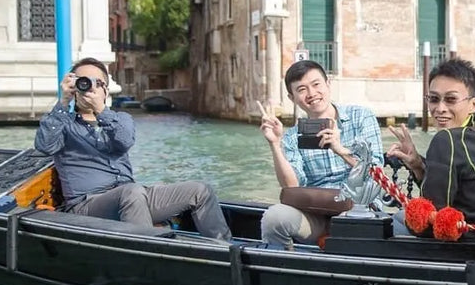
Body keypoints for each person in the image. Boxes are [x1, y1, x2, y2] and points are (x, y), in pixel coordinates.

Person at [34, 57, 231, 240]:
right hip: (87, 205)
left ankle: (225, 252)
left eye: (96, 83)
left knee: (200, 190)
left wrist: (101, 110)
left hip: (133, 197)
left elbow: (124, 140)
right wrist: (63, 101)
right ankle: (154, 255)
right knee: (132, 192)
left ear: (105, 90)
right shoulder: (63, 124)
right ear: (73, 87)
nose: (88, 88)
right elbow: (44, 146)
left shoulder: (121, 119)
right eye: (82, 81)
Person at [388, 59, 475, 227]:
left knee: (396, 220)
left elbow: (431, 218)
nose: (440, 108)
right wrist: (417, 164)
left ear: (474, 104)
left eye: (451, 99)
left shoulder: (446, 140)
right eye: (433, 99)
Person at [258, 60, 384, 249]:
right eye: (301, 89)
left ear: (328, 85)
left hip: (360, 209)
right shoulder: (292, 136)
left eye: (316, 84)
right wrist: (275, 144)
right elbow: (292, 187)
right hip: (315, 212)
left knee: (347, 224)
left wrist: (341, 150)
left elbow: (376, 174)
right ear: (292, 98)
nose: (311, 94)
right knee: (273, 217)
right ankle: (283, 269)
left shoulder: (361, 116)